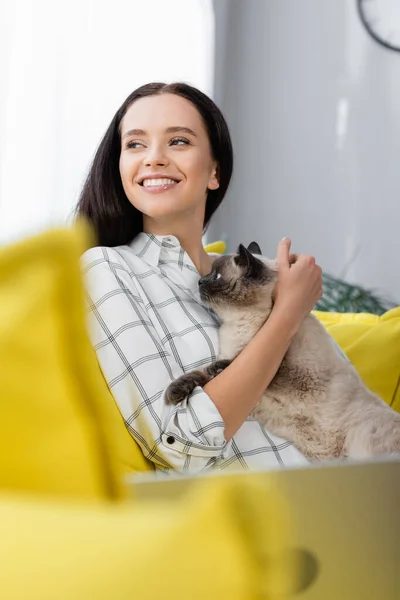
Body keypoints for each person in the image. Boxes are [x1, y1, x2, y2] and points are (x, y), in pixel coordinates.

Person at [76, 82, 322, 474]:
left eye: (177, 141)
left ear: (214, 170)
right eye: (135, 145)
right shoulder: (106, 269)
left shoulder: (252, 273)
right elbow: (182, 444)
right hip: (264, 520)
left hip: (347, 495)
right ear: (119, 167)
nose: (153, 159)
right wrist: (288, 315)